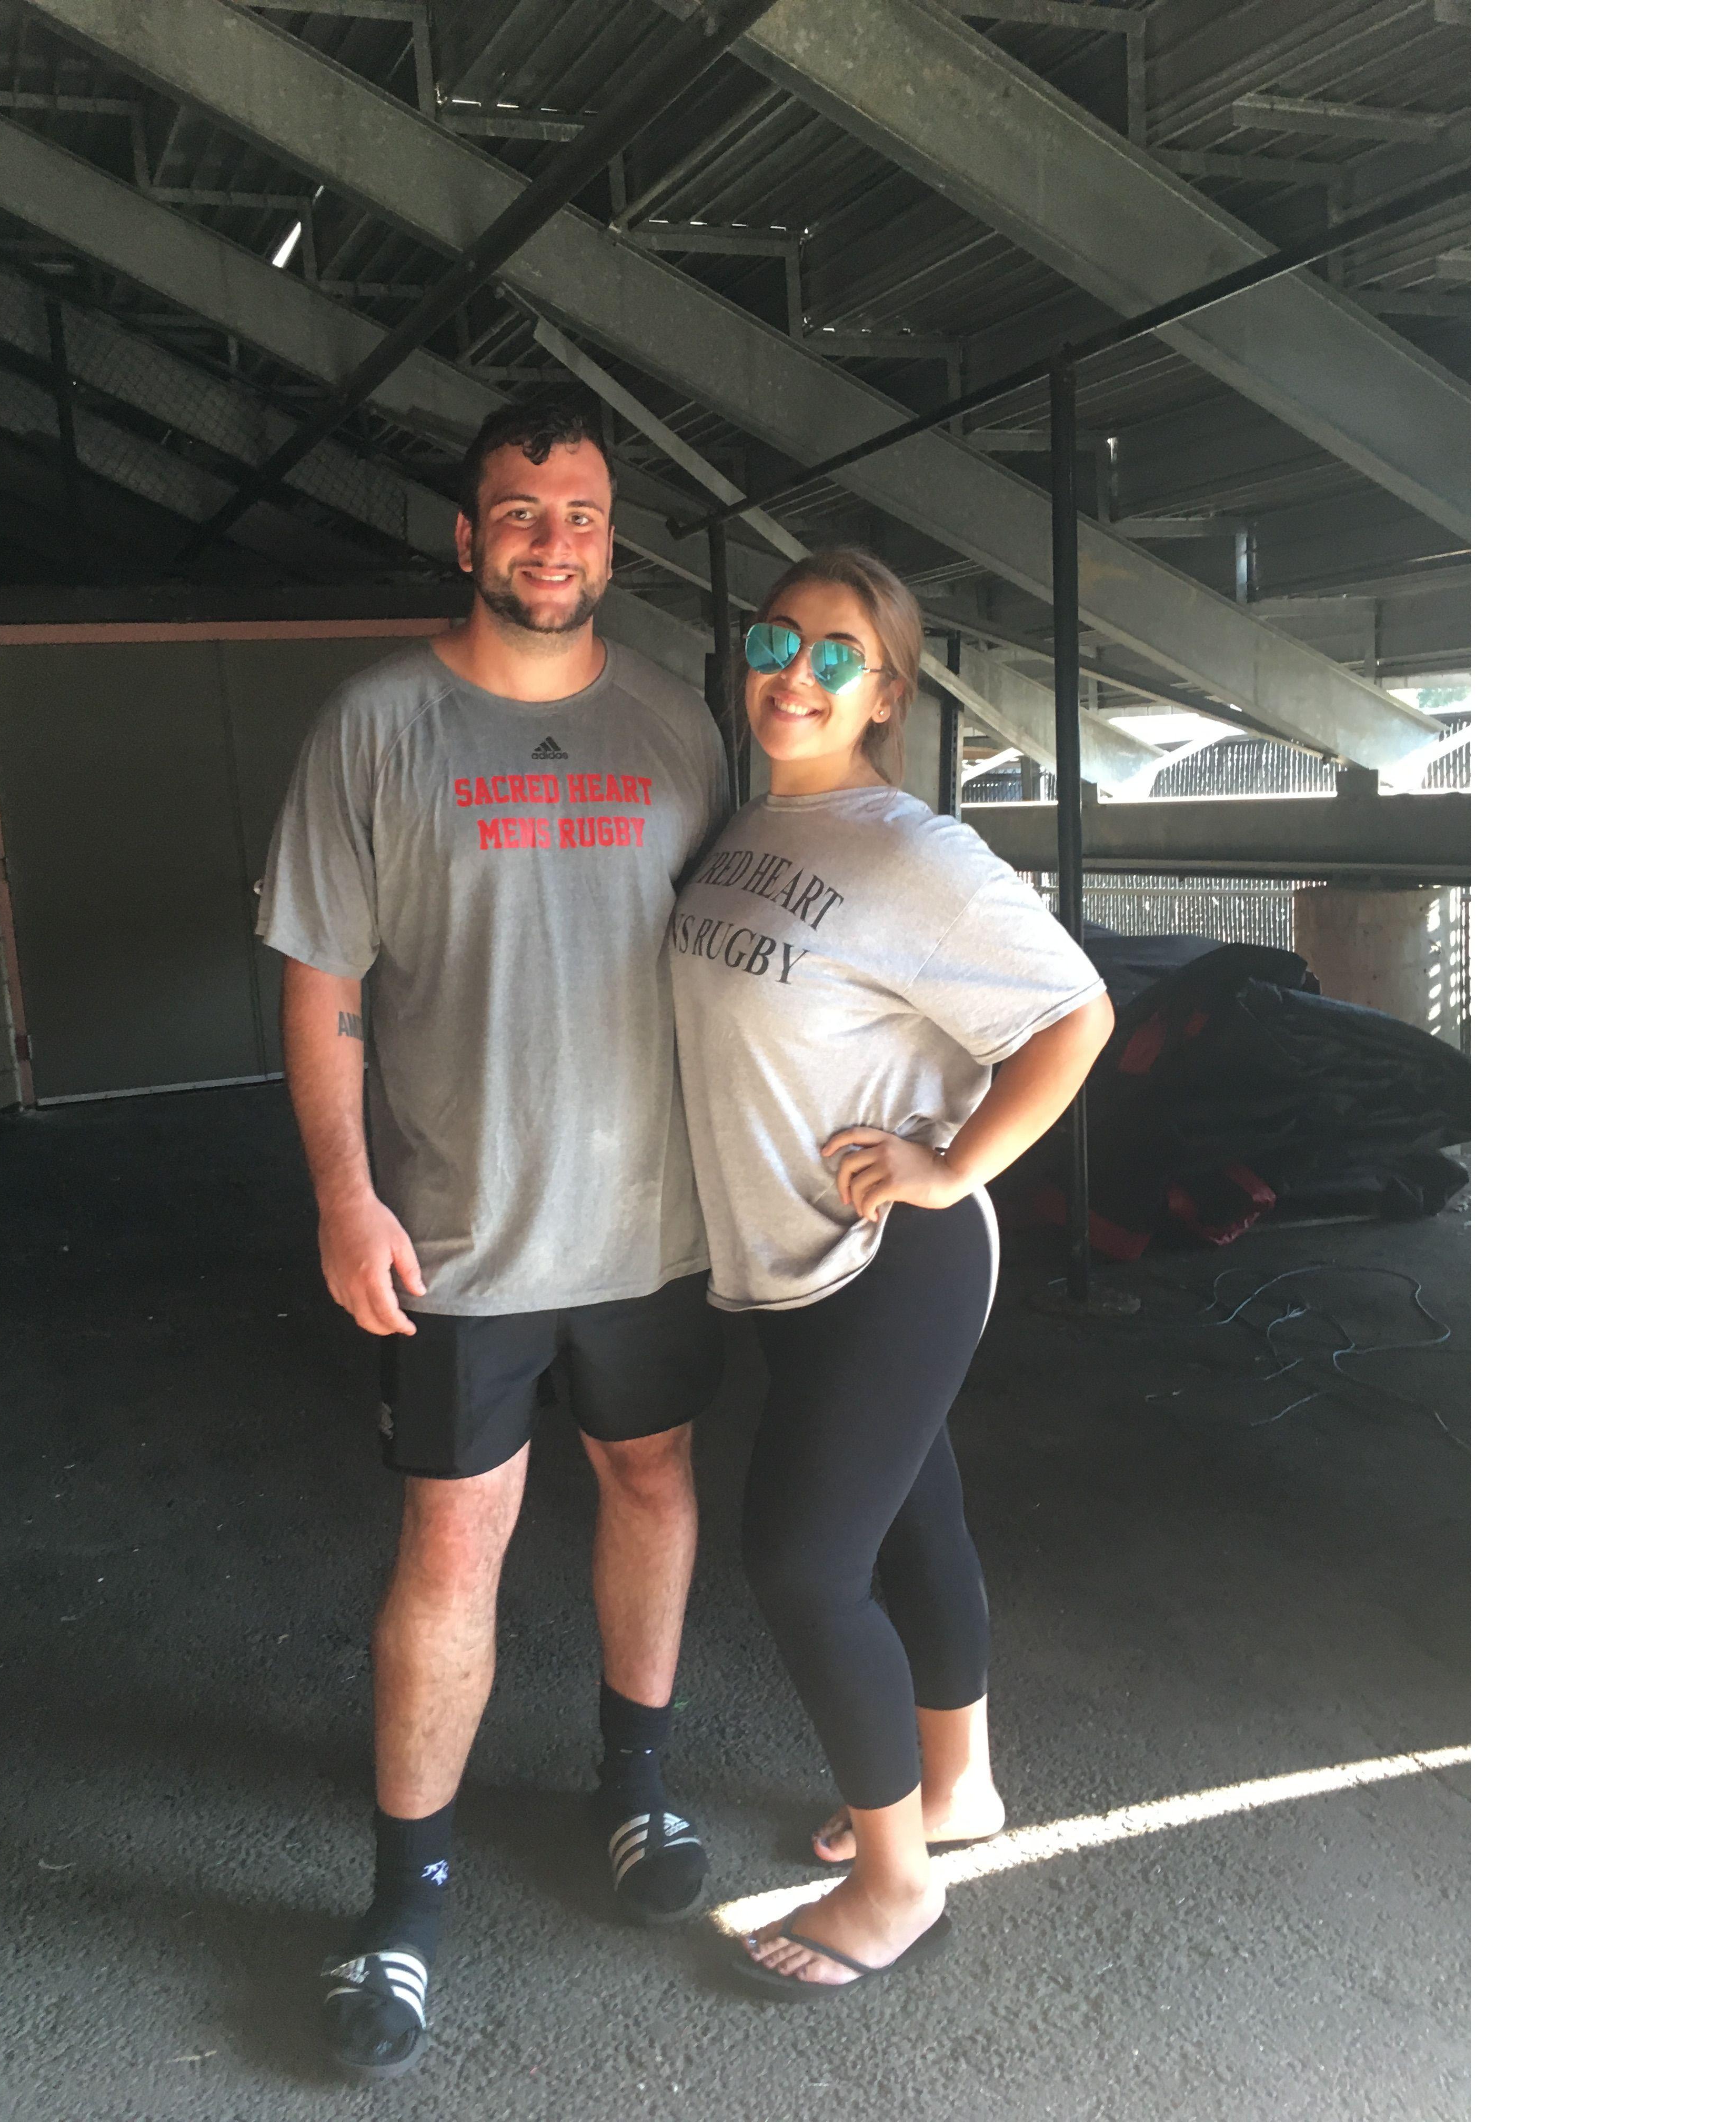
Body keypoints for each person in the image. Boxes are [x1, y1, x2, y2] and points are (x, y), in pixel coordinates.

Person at [256, 389, 730, 2078]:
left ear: (612, 540)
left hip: (656, 1227)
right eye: (522, 511)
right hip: (457, 1237)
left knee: (652, 1483)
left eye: (581, 513)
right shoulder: (376, 726)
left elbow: (744, 958)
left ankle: (635, 1785)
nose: (552, 540)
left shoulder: (680, 727)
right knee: (454, 1545)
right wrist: (344, 1193)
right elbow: (321, 982)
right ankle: (405, 1906)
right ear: (469, 536)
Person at [668, 548, 1115, 1995]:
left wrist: (952, 1164)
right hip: (785, 1255)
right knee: (916, 1513)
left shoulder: (913, 853)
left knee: (804, 1564)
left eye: (836, 655)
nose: (794, 673)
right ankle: (959, 1785)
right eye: (775, 641)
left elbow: (1075, 1017)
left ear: (886, 693)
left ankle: (897, 1884)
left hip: (890, 1253)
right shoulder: (749, 825)